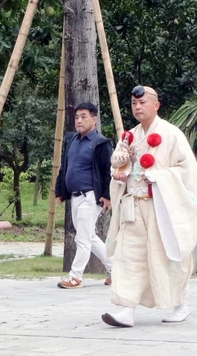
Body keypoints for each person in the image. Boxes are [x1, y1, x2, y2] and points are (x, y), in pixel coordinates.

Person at [103, 86, 197, 327]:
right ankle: (126, 310)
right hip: (133, 206)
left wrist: (160, 176)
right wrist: (119, 173)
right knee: (128, 256)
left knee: (165, 256)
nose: (137, 107)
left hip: (162, 207)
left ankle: (180, 304)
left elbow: (186, 171)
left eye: (143, 102)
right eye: (134, 103)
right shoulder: (128, 137)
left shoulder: (172, 134)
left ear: (156, 105)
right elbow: (118, 166)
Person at [55, 102, 114, 289]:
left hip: (91, 196)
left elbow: (108, 171)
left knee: (82, 237)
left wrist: (107, 195)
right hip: (75, 196)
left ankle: (75, 276)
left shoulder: (101, 144)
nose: (79, 121)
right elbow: (65, 167)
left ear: (94, 119)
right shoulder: (72, 140)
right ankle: (116, 271)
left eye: (83, 117)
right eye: (77, 117)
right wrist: (60, 191)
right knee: (89, 237)